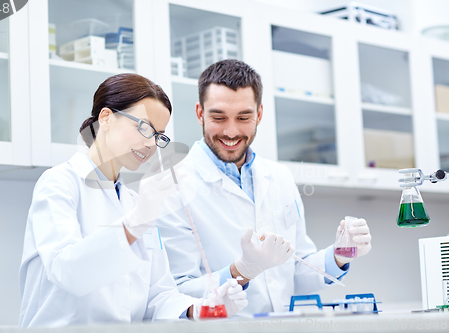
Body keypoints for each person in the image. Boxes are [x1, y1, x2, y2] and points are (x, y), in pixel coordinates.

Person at [18, 73, 247, 327]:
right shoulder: (59, 183)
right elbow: (68, 272)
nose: (150, 143)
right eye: (144, 127)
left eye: (158, 135)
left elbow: (158, 294)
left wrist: (199, 308)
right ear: (106, 118)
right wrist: (135, 223)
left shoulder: (136, 202)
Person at [156, 60, 372, 316]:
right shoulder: (171, 186)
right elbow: (178, 294)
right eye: (218, 117)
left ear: (259, 114)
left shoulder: (279, 177)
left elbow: (296, 273)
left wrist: (338, 255)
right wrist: (241, 271)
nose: (231, 131)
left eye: (244, 117)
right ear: (200, 113)